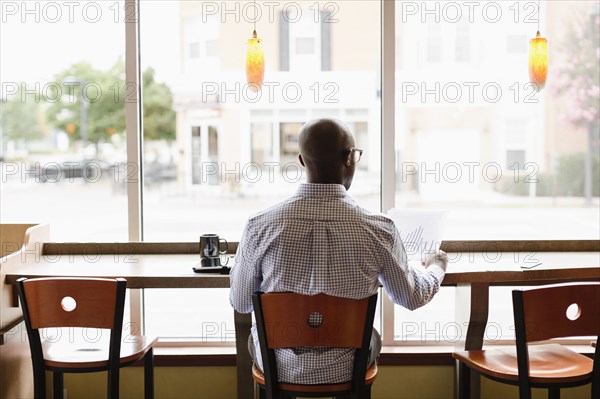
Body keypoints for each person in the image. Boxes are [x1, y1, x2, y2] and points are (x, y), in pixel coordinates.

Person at [229, 118, 448, 385]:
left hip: (279, 367)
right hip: (348, 369)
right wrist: (437, 266)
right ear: (349, 158)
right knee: (371, 337)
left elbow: (240, 302)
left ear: (301, 161)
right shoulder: (379, 228)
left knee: (259, 338)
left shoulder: (259, 226)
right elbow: (411, 297)